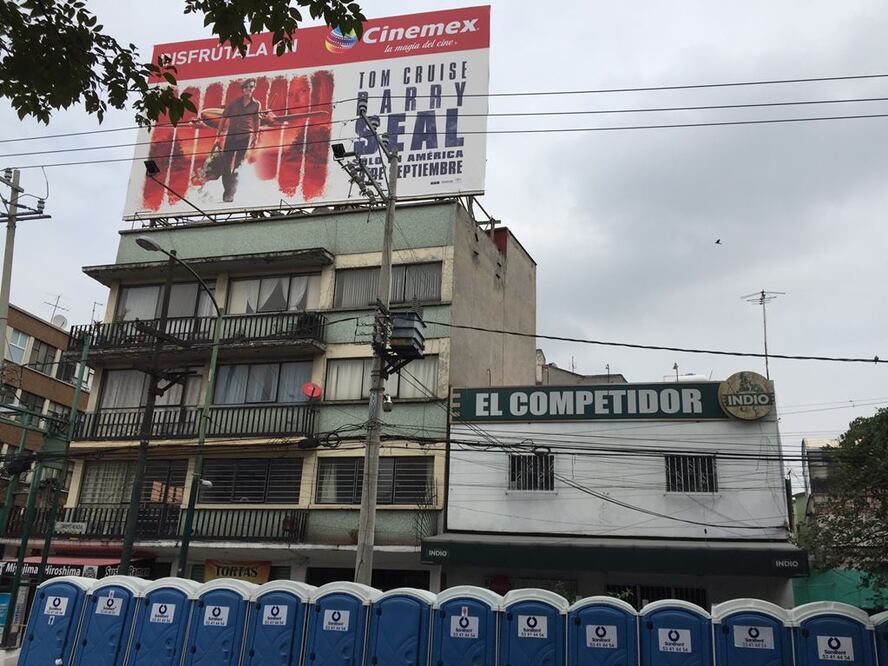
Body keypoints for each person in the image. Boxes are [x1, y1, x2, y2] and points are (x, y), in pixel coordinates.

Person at [215, 78, 262, 203]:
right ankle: (227, 191)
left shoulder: (256, 104)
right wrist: (218, 135)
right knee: (226, 165)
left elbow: (257, 120)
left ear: (253, 88)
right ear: (243, 89)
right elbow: (223, 118)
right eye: (247, 87)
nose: (249, 89)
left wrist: (256, 137)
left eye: (251, 86)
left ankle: (231, 194)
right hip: (231, 137)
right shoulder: (234, 103)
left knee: (238, 166)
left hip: (244, 137)